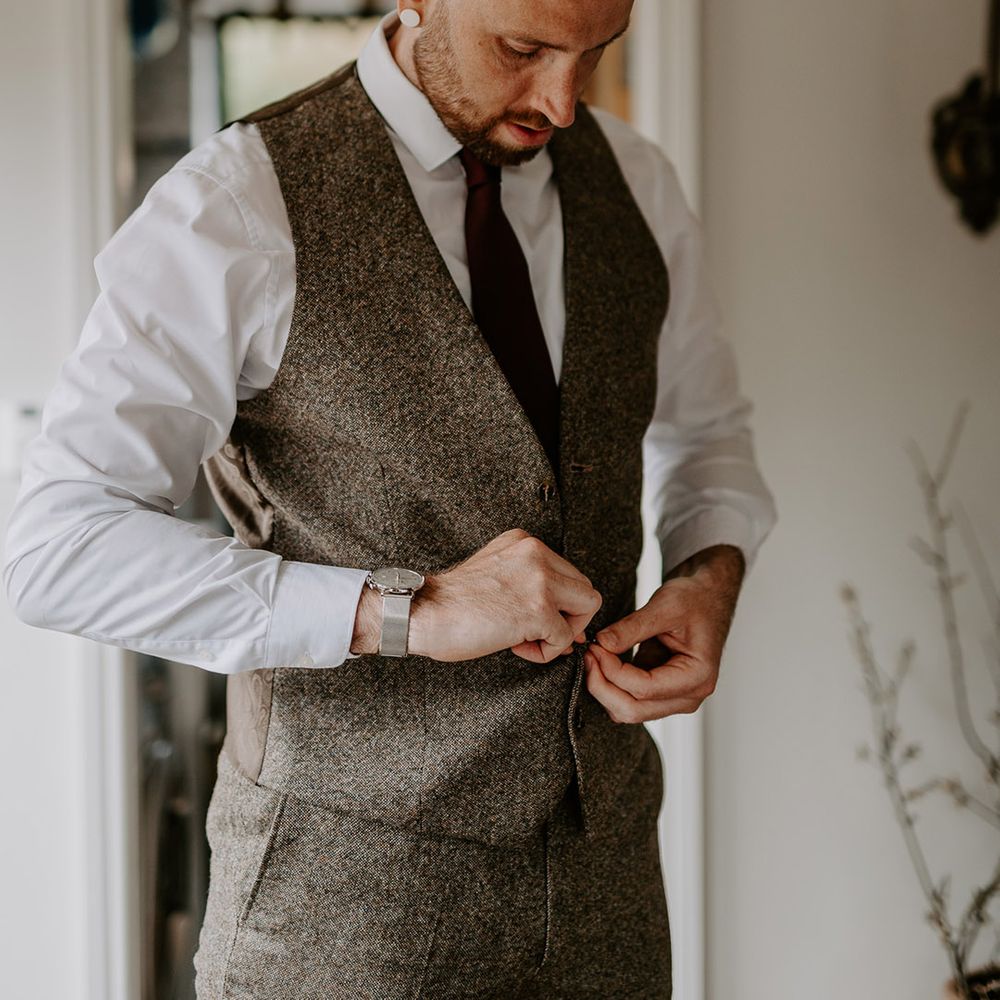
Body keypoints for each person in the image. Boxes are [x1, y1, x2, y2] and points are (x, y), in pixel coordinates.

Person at [2, 0, 777, 996]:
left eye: (594, 55)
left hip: (606, 896)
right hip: (339, 912)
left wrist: (708, 579)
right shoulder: (234, 203)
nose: (562, 103)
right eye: (524, 49)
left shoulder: (640, 185)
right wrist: (405, 610)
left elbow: (707, 436)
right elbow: (61, 545)